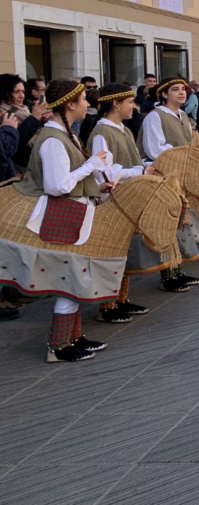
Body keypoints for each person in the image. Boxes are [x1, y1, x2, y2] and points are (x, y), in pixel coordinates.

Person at [13, 79, 112, 361]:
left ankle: (73, 337)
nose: (88, 104)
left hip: (73, 214)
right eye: (83, 99)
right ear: (70, 104)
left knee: (75, 278)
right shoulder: (54, 139)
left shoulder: (64, 135)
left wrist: (97, 185)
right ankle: (58, 347)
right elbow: (57, 186)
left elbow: (71, 179)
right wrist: (91, 165)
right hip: (63, 215)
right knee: (70, 279)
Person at [89, 84, 154, 324]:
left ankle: (121, 299)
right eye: (130, 102)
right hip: (111, 200)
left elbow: (131, 161)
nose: (134, 107)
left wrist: (145, 168)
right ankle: (107, 306)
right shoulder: (101, 133)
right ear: (116, 104)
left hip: (125, 198)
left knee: (124, 251)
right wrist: (139, 171)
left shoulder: (123, 129)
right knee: (113, 253)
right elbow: (104, 172)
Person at [137, 76, 199, 291]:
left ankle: (177, 269)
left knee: (179, 222)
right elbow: (154, 149)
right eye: (175, 89)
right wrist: (181, 156)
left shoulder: (183, 115)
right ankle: (167, 276)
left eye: (183, 89)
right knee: (167, 223)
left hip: (180, 175)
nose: (181, 92)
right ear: (164, 94)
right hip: (162, 176)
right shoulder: (155, 117)